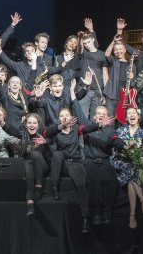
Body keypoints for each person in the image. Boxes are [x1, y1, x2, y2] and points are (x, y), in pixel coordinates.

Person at [45, 80, 115, 233]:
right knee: (57, 154)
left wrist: (98, 125)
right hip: (61, 164)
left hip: (75, 163)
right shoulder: (55, 130)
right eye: (61, 116)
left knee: (82, 187)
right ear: (59, 118)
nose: (64, 118)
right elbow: (47, 134)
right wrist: (60, 127)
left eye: (66, 116)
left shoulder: (77, 128)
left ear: (72, 117)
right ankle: (54, 187)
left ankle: (85, 219)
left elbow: (87, 128)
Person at [77, 32, 108, 119]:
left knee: (96, 118)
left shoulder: (102, 54)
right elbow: (79, 49)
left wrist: (105, 92)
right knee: (83, 117)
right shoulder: (84, 53)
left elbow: (105, 74)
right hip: (84, 89)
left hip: (98, 90)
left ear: (93, 40)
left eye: (88, 42)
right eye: (85, 43)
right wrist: (79, 38)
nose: (87, 45)